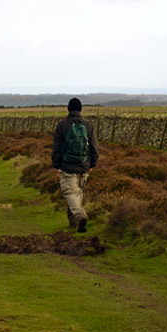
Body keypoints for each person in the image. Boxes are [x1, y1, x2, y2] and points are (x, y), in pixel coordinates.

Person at [51, 97, 99, 233]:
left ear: (68, 109)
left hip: (67, 167)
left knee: (71, 193)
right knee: (77, 193)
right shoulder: (88, 126)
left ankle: (79, 215)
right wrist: (92, 164)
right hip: (84, 166)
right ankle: (73, 222)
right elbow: (94, 147)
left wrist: (57, 165)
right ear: (80, 109)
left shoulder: (62, 126)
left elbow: (56, 147)